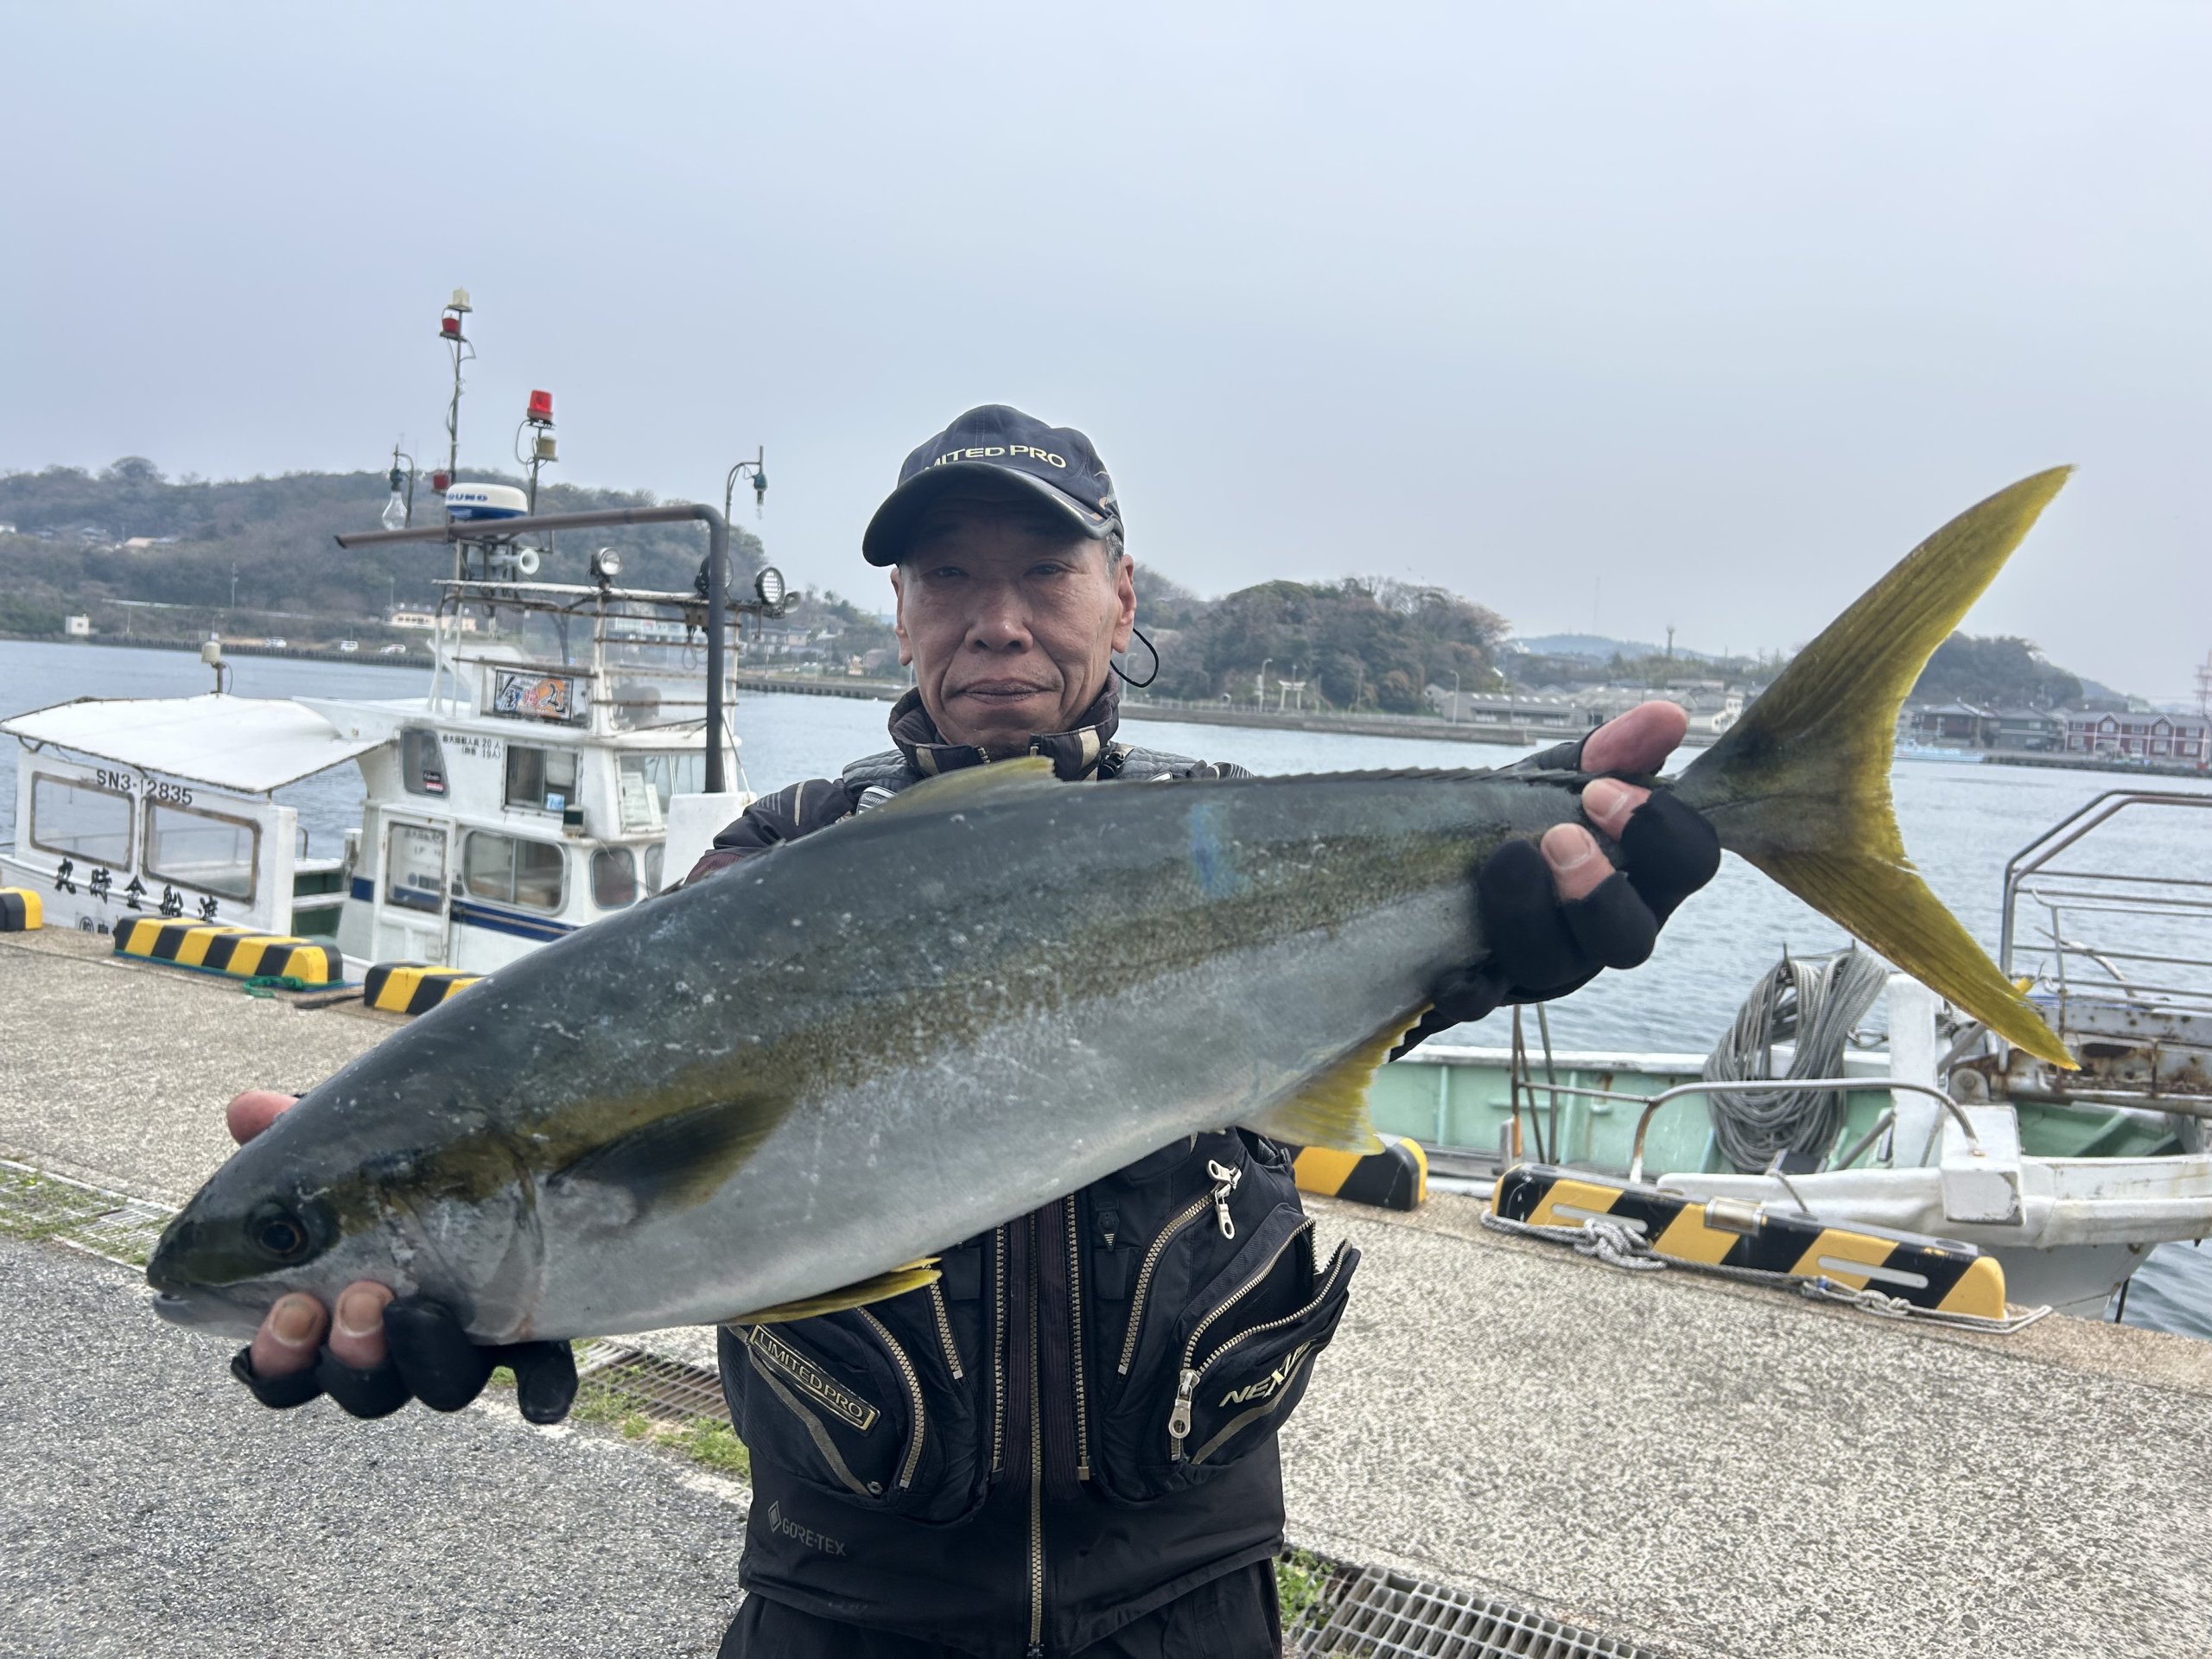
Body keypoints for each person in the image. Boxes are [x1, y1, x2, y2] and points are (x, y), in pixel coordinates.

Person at [226, 406, 1719, 1657]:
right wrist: (468, 1278)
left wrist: (1523, 879)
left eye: (1046, 571)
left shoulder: (1230, 832)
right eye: (946, 577)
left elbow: (1397, 951)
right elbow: (606, 1144)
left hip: (1188, 1586)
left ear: (1123, 597)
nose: (995, 619)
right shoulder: (766, 869)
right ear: (900, 612)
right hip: (847, 1594)